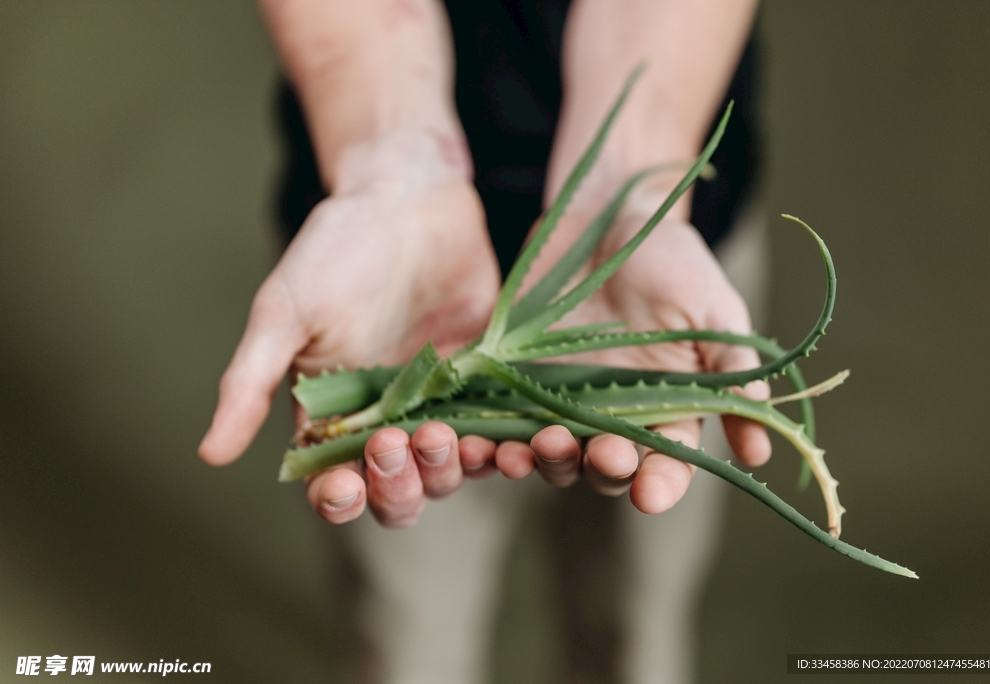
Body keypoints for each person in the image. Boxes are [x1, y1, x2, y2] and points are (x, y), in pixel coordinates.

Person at [199, 1, 767, 681]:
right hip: (382, 282)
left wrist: (634, 181)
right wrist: (387, 161)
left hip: (649, 277)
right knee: (403, 640)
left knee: (631, 630)